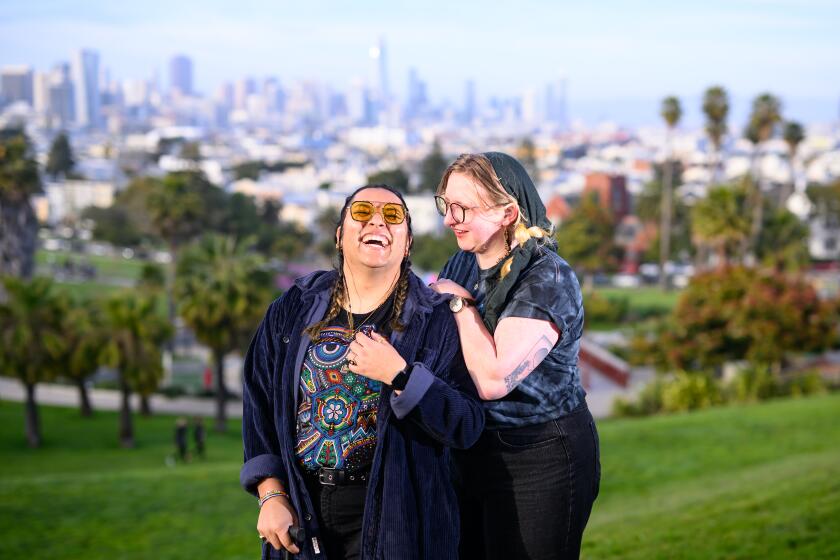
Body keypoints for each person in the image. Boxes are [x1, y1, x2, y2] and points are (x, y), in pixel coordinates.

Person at [240, 185, 484, 560]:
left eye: (392, 216)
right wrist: (271, 494)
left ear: (406, 244)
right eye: (362, 211)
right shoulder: (295, 305)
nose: (377, 221)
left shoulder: (434, 320)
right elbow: (259, 402)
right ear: (339, 236)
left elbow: (467, 423)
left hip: (396, 518)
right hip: (302, 512)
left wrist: (401, 376)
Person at [431, 153, 600, 560]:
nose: (450, 219)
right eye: (446, 205)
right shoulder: (462, 261)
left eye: (464, 208)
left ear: (508, 212)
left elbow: (493, 379)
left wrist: (458, 304)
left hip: (540, 456)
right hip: (471, 450)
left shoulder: (547, 278)